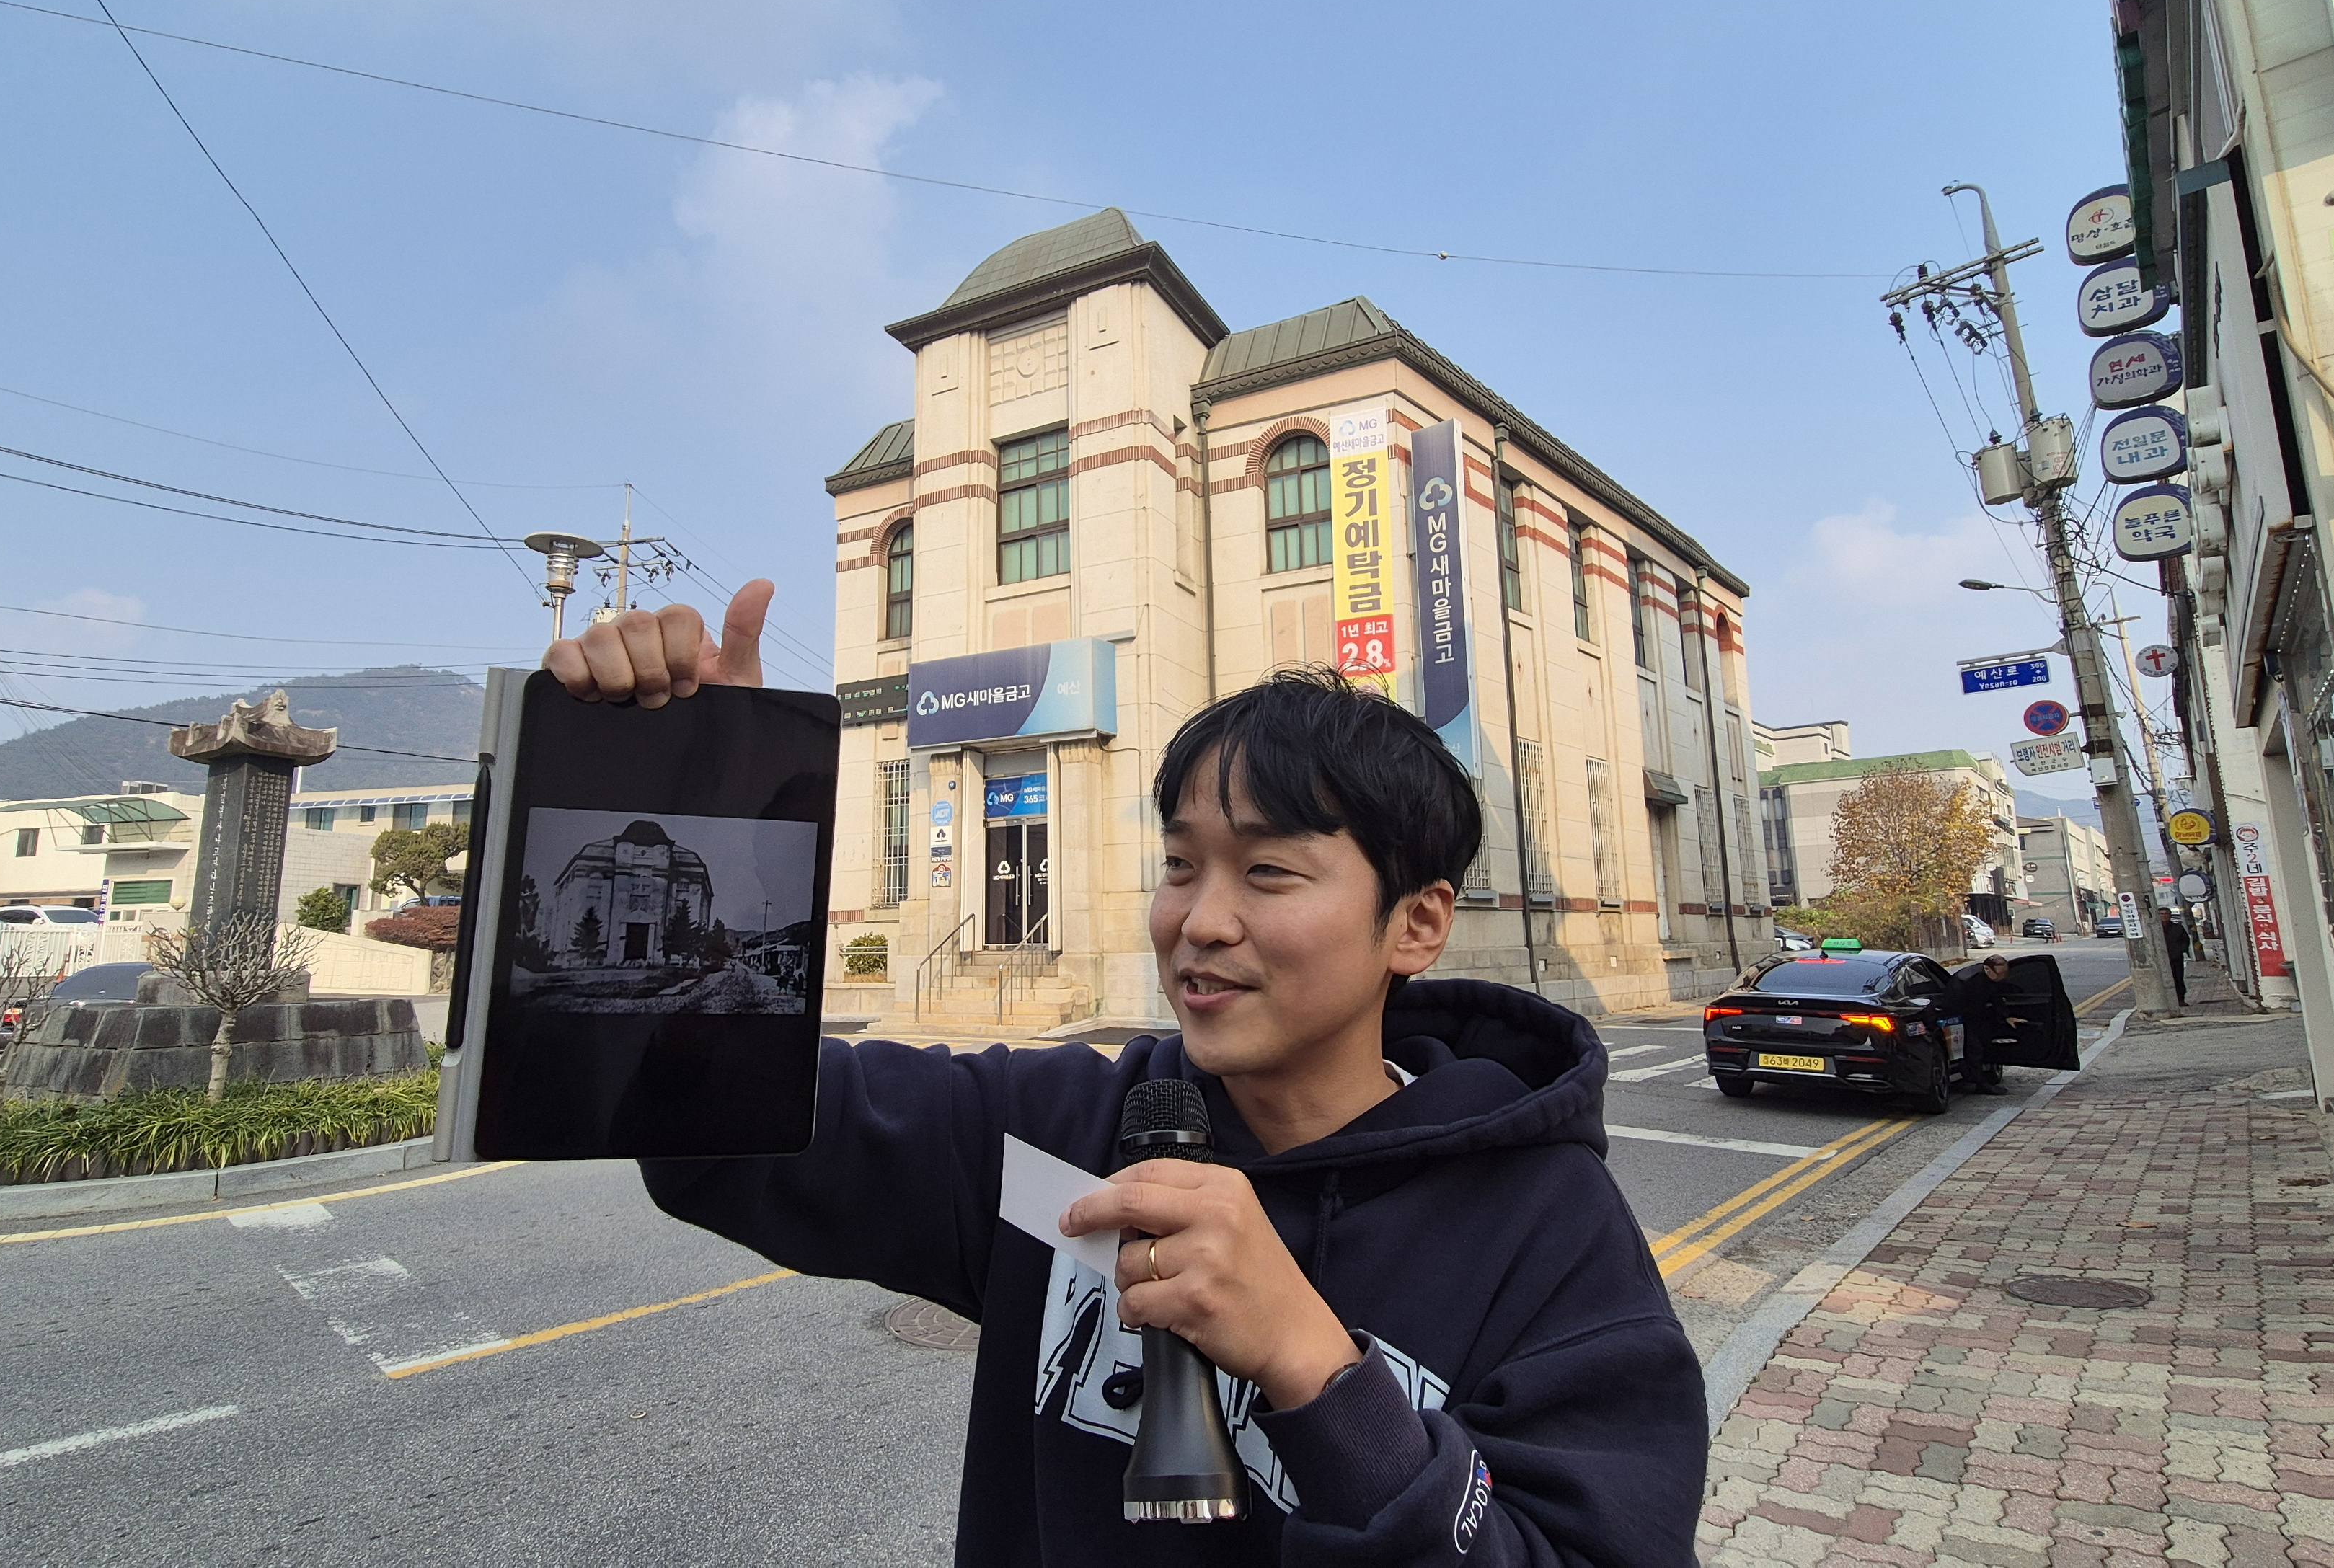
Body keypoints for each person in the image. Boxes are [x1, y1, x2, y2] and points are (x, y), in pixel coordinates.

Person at [545, 592, 1707, 1567]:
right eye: (1179, 866)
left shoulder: (1545, 1227)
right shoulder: (1056, 1140)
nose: (1200, 921)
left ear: (1416, 923)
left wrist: (1315, 1370)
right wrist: (696, 801)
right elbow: (721, 1118)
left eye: (1266, 871)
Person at [1947, 953, 2023, 1094]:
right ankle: (1979, 1083)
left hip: (1977, 1015)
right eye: (2000, 974)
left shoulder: (1991, 979)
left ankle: (1982, 1076)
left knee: (1984, 1045)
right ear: (1988, 970)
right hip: (1960, 1016)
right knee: (1974, 1049)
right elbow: (1956, 1006)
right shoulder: (1966, 981)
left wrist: (2006, 1016)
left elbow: (1996, 997)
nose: (2002, 977)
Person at [2162, 913, 2190, 1006]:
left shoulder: (2177, 928)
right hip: (2161, 959)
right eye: (2161, 914)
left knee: (2178, 978)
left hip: (2176, 958)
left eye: (2166, 914)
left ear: (2170, 916)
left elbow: (2185, 940)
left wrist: (2180, 950)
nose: (2164, 916)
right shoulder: (2154, 929)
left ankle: (2180, 999)